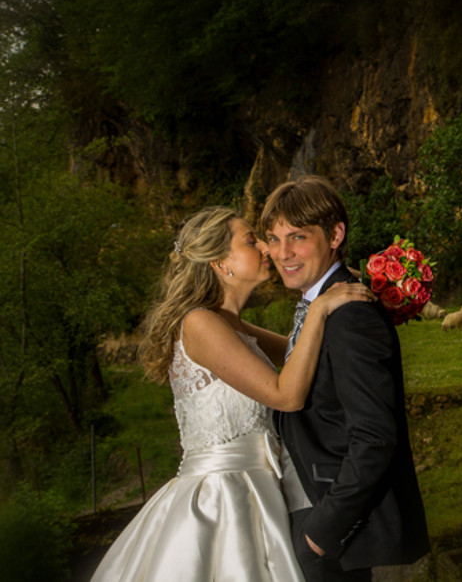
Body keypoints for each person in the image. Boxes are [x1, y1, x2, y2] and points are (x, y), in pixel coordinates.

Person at [91, 206, 372, 582]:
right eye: (252, 241)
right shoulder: (199, 323)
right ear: (221, 263)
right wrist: (320, 307)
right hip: (223, 497)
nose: (267, 248)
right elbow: (286, 395)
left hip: (262, 490)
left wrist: (329, 286)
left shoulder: (233, 325)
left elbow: (303, 353)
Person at [261, 175, 430, 581]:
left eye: (298, 237)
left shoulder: (351, 314)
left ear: (335, 235)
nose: (283, 253)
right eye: (274, 239)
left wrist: (319, 535)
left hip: (332, 531)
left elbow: (375, 437)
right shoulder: (322, 303)